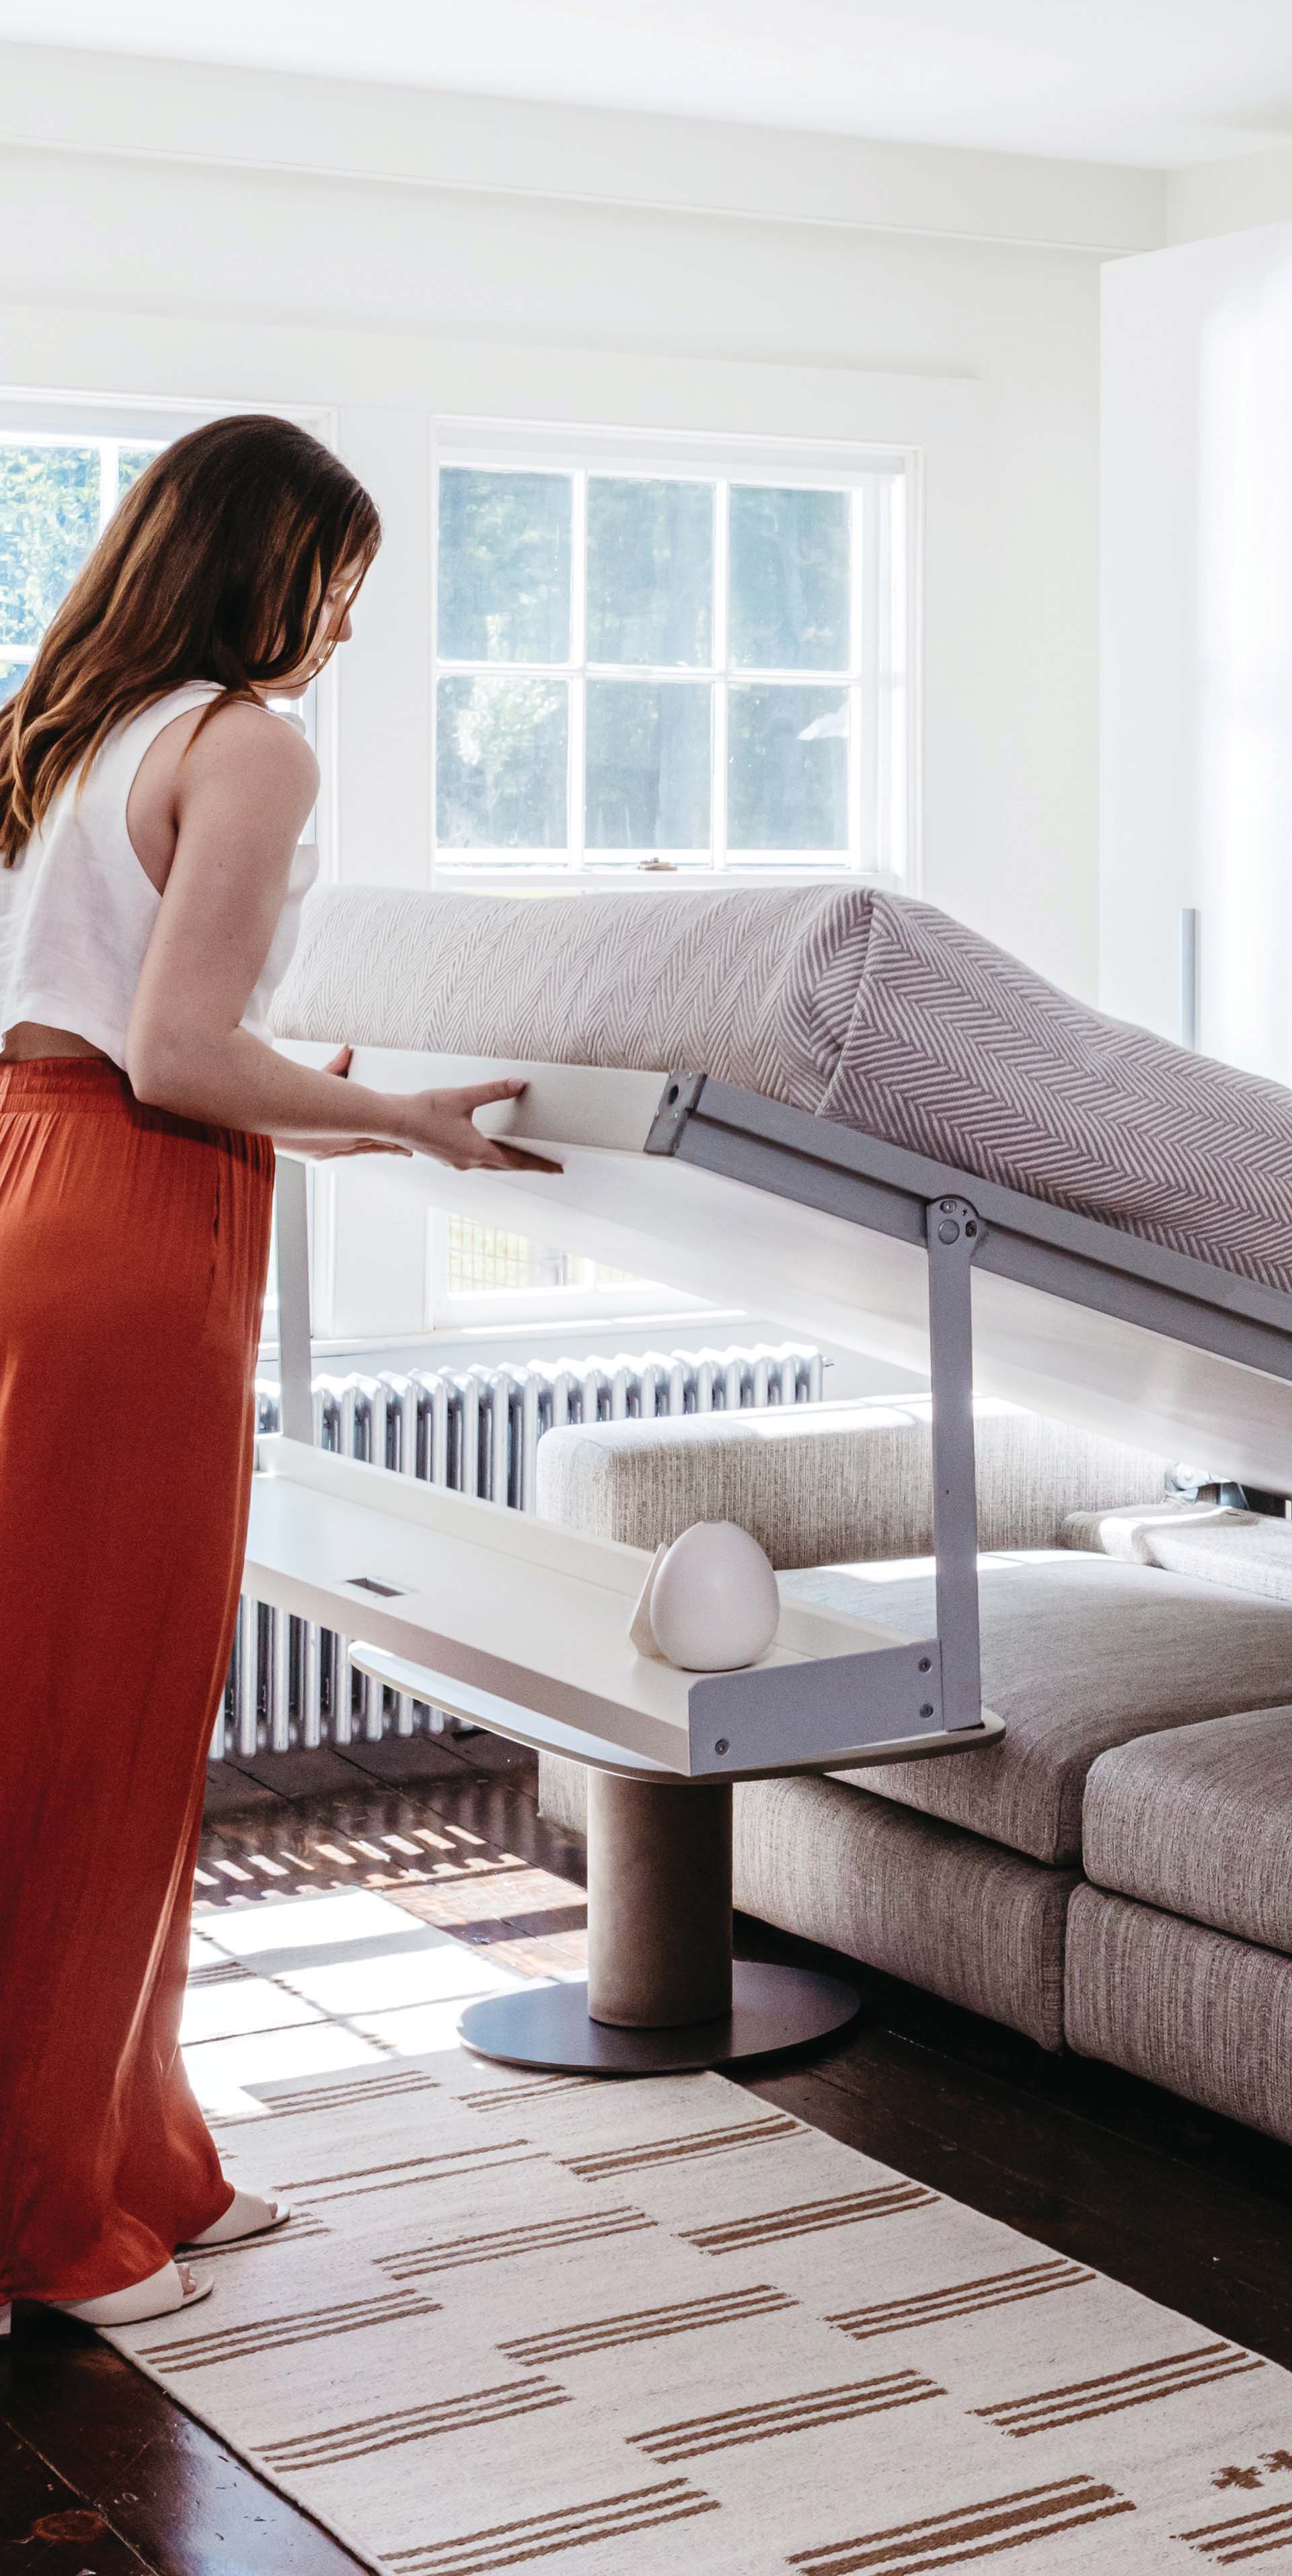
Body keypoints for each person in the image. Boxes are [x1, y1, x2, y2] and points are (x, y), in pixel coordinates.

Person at [0, 414, 558, 2331]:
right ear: (279, 567)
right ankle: (48, 2221)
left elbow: (128, 1054)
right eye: (344, 584)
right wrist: (400, 1114)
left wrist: (397, 1129)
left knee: (75, 1703)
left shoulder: (69, 727)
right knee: (101, 1725)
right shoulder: (246, 737)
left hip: (31, 1181)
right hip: (132, 1231)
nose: (345, 628)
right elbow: (176, 1058)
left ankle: (137, 2152)